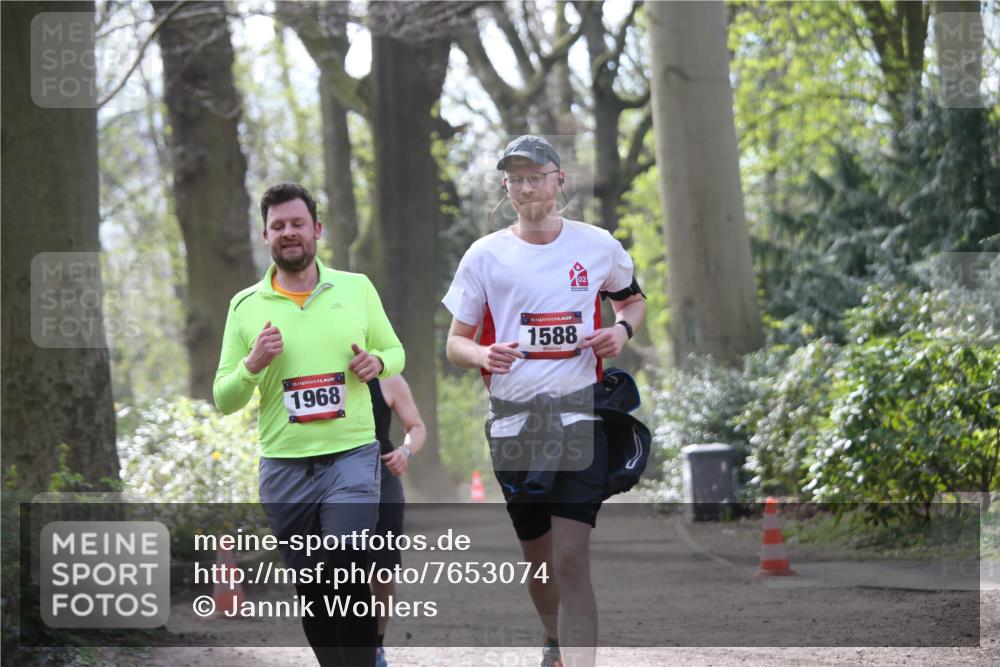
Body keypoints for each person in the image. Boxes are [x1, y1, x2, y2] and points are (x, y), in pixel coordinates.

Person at [442, 136, 646, 667]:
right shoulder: (484, 255)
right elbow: (455, 342)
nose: (526, 186)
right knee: (540, 562)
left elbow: (632, 298)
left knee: (573, 557)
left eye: (536, 175)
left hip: (581, 414)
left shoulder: (596, 244)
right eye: (516, 178)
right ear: (506, 187)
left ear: (559, 180)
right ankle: (554, 641)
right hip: (515, 425)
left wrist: (621, 331)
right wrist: (485, 354)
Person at [214, 182, 404, 667]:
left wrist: (377, 364)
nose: (289, 233)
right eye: (278, 226)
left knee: (347, 569)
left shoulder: (356, 289)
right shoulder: (244, 306)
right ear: (265, 236)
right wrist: (252, 364)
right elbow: (224, 397)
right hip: (284, 467)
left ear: (317, 229)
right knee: (314, 586)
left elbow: (396, 351)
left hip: (352, 457)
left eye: (298, 223)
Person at [367, 376, 426, 667]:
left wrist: (406, 451)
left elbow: (416, 427)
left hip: (381, 470)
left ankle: (376, 644)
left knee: (382, 567)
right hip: (329, 473)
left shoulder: (387, 377)